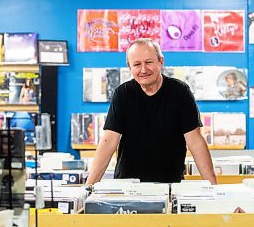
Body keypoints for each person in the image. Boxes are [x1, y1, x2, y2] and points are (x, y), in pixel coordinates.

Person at [86, 38, 217, 184]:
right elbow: (109, 141)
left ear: (161, 61)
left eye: (148, 62)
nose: (143, 70)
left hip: (170, 184)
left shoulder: (180, 92)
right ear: (130, 68)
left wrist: (214, 188)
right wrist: (88, 187)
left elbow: (195, 141)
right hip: (128, 185)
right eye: (137, 64)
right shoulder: (122, 94)